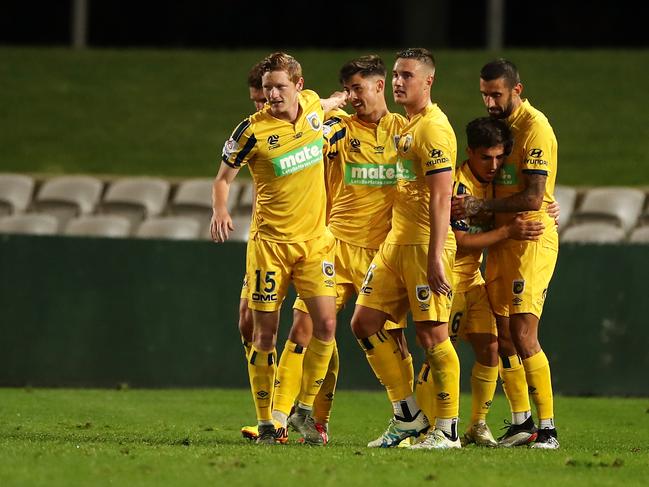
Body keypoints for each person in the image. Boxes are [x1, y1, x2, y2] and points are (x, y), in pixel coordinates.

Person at [273, 54, 411, 445]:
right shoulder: (338, 129)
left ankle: (407, 419)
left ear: (379, 86)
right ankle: (286, 419)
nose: (353, 97)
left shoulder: (403, 131)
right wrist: (322, 111)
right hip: (334, 245)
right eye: (348, 90)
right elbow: (304, 137)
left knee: (393, 339)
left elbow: (437, 174)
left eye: (359, 89)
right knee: (309, 327)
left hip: (383, 253)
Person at [212, 52, 343, 445]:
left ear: (298, 86)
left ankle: (304, 409)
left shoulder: (312, 107)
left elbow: (325, 105)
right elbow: (223, 178)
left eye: (279, 87)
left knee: (327, 324)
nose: (271, 94)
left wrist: (341, 100)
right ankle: (268, 421)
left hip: (314, 243)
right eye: (267, 87)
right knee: (263, 335)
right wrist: (220, 209)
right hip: (269, 245)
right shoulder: (251, 130)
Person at [350, 47, 460, 449]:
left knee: (432, 336)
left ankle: (447, 429)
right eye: (396, 75)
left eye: (407, 76)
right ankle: (408, 416)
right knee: (364, 323)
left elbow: (441, 197)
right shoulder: (406, 125)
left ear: (428, 81)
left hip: (422, 245)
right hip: (396, 243)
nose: (399, 81)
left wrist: (435, 258)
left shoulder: (434, 128)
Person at [451, 59, 560, 449]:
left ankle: (548, 429)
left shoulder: (535, 128)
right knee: (504, 334)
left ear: (517, 89)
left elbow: (533, 197)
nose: (490, 101)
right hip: (501, 241)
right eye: (484, 94)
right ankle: (521, 423)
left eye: (496, 94)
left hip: (529, 239)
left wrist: (480, 209)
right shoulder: (501, 131)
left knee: (524, 332)